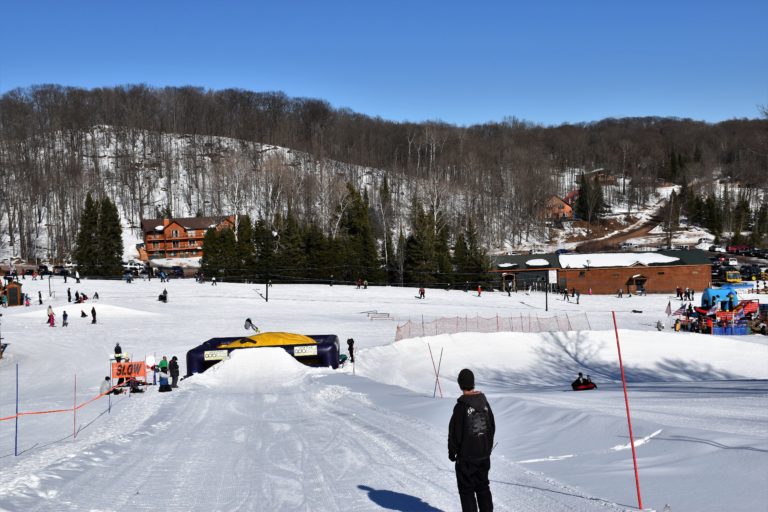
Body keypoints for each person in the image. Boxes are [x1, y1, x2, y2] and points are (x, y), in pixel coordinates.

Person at [448, 369, 495, 512]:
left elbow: (454, 433)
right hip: (483, 456)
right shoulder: (485, 404)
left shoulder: (461, 407)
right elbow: (491, 427)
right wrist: (487, 448)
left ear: (460, 385)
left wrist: (452, 451)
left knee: (467, 492)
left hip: (467, 459)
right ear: (473, 383)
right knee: (483, 488)